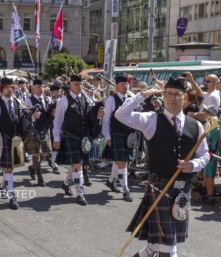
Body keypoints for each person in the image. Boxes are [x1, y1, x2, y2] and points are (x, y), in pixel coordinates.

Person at [115, 77, 210, 257]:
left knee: (164, 239)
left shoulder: (196, 125)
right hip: (159, 187)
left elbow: (206, 155)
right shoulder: (150, 120)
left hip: (183, 192)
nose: (172, 98)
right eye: (168, 94)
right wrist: (143, 95)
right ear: (163, 96)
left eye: (177, 94)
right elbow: (121, 115)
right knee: (169, 244)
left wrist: (194, 165)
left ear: (185, 98)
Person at [53, 75, 94, 206]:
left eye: (80, 84)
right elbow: (57, 121)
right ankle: (80, 194)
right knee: (77, 164)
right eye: (76, 84)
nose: (79, 86)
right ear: (70, 85)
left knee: (77, 164)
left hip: (83, 136)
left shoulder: (86, 99)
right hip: (70, 135)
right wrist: (56, 138)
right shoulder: (63, 100)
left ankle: (66, 184)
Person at [0, 77, 26, 209]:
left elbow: (20, 119)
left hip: (15, 140)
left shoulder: (16, 102)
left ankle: (2, 185)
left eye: (12, 87)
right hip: (3, 139)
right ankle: (12, 196)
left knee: (11, 167)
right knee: (9, 168)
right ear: (2, 89)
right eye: (8, 87)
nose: (10, 90)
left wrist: (32, 117)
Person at [103, 75, 137, 202]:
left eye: (126, 84)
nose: (125, 86)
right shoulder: (111, 100)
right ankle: (126, 190)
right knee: (122, 162)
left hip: (130, 134)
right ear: (116, 86)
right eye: (122, 84)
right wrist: (107, 136)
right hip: (117, 133)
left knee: (122, 161)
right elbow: (106, 120)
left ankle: (111, 181)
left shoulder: (132, 98)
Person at [23, 79, 51, 187]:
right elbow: (26, 114)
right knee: (36, 154)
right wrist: (32, 115)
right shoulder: (29, 100)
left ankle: (32, 167)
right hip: (34, 129)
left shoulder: (47, 99)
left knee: (45, 153)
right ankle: (40, 176)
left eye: (42, 86)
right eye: (39, 87)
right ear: (33, 88)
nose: (41, 89)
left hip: (45, 128)